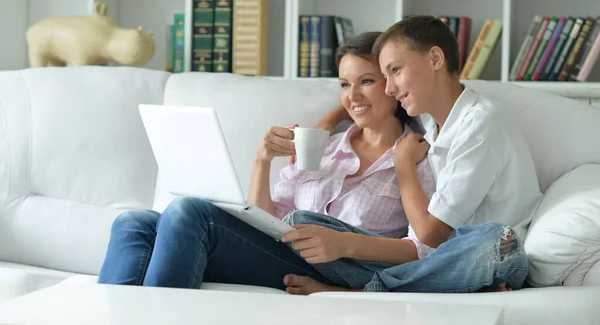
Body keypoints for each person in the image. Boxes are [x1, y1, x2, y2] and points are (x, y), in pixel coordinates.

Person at [97, 32, 436, 291]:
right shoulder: (323, 146)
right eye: (345, 84)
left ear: (392, 86)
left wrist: (336, 277)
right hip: (277, 250)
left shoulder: (414, 157)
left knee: (189, 213)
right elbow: (267, 221)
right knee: (134, 223)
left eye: (366, 81)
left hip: (333, 266)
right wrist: (262, 161)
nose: (352, 95)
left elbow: (423, 251)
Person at [283, 15, 543, 294]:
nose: (389, 88)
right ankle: (428, 285)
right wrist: (327, 124)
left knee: (494, 239)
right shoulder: (431, 117)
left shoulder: (479, 125)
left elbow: (431, 235)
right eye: (384, 77)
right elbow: (363, 103)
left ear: (434, 59)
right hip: (439, 262)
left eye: (395, 71)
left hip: (490, 254)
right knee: (303, 223)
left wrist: (403, 166)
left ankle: (358, 293)